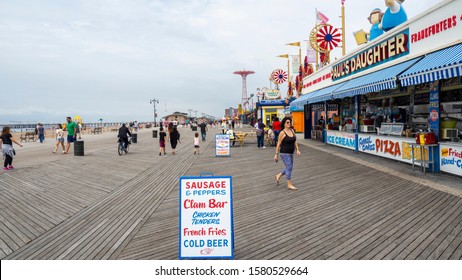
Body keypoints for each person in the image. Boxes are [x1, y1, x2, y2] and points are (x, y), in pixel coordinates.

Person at [274, 117, 301, 191]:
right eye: (287, 122)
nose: (289, 124)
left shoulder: (292, 130)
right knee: (289, 167)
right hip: (284, 152)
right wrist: (276, 154)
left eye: (290, 122)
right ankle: (289, 184)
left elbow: (295, 141)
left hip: (291, 152)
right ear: (284, 124)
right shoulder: (282, 132)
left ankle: (278, 175)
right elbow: (278, 144)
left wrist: (297, 149)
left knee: (289, 167)